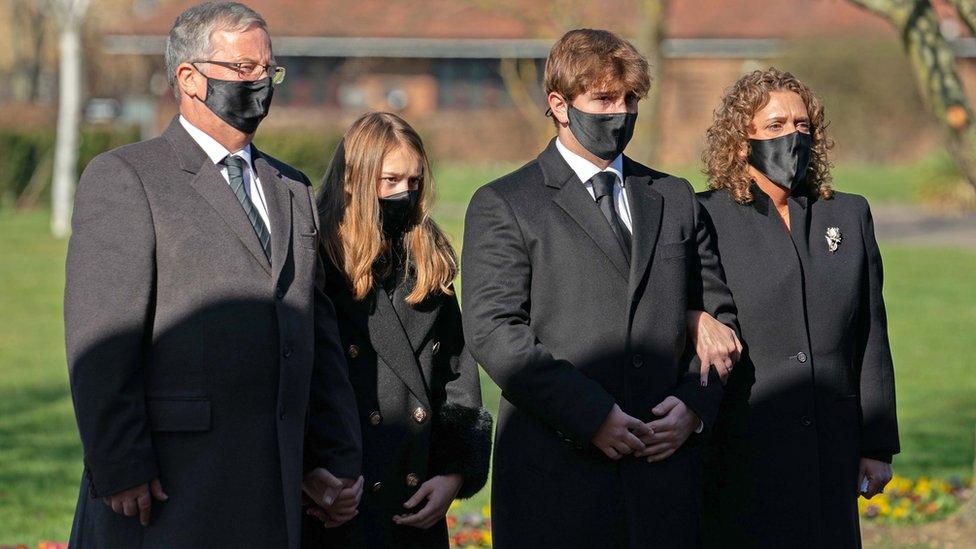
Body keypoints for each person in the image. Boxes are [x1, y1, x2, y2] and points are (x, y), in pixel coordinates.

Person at [64, 3, 361, 547]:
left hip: (273, 487)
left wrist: (333, 458)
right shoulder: (127, 177)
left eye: (268, 71)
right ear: (189, 78)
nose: (261, 84)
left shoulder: (292, 188)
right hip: (167, 491)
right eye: (243, 70)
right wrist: (120, 462)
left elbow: (315, 333)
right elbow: (101, 341)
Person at [460, 29, 739, 548]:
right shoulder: (506, 203)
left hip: (663, 480)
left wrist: (695, 405)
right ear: (559, 105)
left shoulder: (673, 197)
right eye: (604, 99)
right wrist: (591, 416)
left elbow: (719, 316)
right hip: (558, 479)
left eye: (630, 99)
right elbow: (493, 330)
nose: (620, 113)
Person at [695, 67, 900, 548]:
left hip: (831, 446)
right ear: (739, 138)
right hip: (743, 445)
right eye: (775, 126)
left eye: (802, 125)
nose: (792, 136)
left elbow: (871, 332)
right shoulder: (706, 216)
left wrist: (877, 444)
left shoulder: (847, 214)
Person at [302, 112, 491, 548]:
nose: (403, 194)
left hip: (414, 501)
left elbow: (458, 374)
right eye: (390, 180)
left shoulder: (427, 257)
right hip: (337, 498)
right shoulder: (314, 257)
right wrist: (309, 471)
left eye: (414, 182)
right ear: (353, 178)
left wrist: (453, 473)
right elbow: (295, 378)